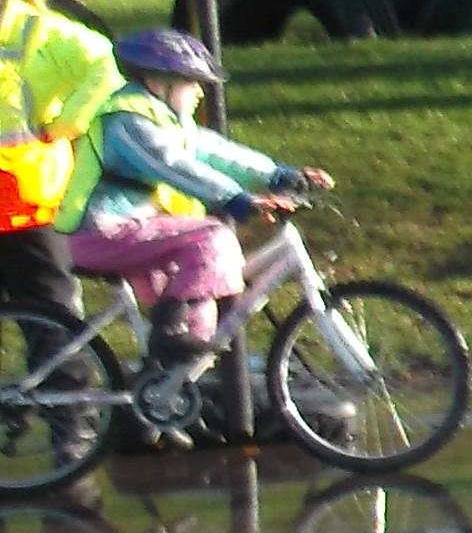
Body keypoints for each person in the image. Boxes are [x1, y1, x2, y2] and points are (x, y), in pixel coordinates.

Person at [65, 29, 323, 381]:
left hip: (133, 229)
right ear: (159, 82)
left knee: (203, 300)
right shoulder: (126, 121)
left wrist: (279, 174)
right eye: (192, 83)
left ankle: (171, 388)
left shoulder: (166, 120)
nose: (201, 92)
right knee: (211, 238)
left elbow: (217, 152)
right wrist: (235, 198)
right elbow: (172, 165)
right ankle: (166, 332)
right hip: (101, 232)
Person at [0, 0, 120, 336]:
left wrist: (69, 123)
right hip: (23, 196)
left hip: (27, 199)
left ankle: (66, 375)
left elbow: (106, 66)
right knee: (46, 309)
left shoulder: (38, 31)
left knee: (49, 312)